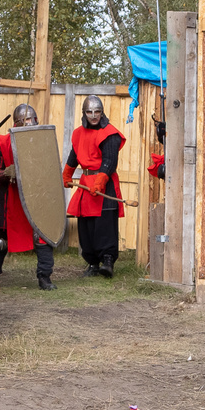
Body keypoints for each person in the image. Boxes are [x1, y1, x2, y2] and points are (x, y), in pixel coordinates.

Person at [64, 96, 126, 277]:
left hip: (104, 184)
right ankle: (92, 263)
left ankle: (107, 262)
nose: (93, 116)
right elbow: (74, 155)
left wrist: (100, 181)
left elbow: (110, 161)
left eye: (97, 112)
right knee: (87, 225)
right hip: (86, 184)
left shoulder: (110, 133)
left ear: (102, 112)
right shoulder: (78, 133)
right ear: (84, 113)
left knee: (104, 225)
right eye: (89, 112)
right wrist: (67, 174)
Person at [0, 104, 55, 290]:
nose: (30, 124)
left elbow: (50, 171)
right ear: (17, 123)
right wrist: (6, 173)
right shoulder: (1, 143)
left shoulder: (42, 142)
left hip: (36, 197)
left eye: (32, 120)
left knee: (43, 235)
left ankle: (45, 277)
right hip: (9, 199)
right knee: (0, 240)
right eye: (26, 121)